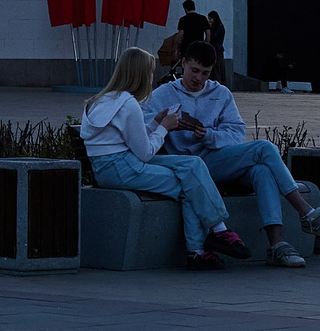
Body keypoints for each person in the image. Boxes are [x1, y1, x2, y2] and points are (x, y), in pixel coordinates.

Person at [148, 41, 320, 265]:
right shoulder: (163, 94)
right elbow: (144, 129)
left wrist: (209, 136)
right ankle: (306, 212)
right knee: (264, 148)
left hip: (217, 158)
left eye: (205, 73)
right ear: (183, 63)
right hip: (191, 166)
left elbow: (236, 132)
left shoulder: (220, 93)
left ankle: (277, 245)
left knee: (262, 169)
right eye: (194, 71)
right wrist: (166, 124)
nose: (199, 78)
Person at [80, 47, 250, 269]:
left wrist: (154, 122)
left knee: (193, 165)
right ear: (141, 75)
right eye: (150, 73)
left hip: (112, 165)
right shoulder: (129, 104)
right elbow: (145, 153)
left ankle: (215, 235)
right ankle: (205, 244)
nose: (152, 78)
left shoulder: (103, 99)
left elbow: (126, 137)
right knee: (190, 184)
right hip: (123, 167)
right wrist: (163, 128)